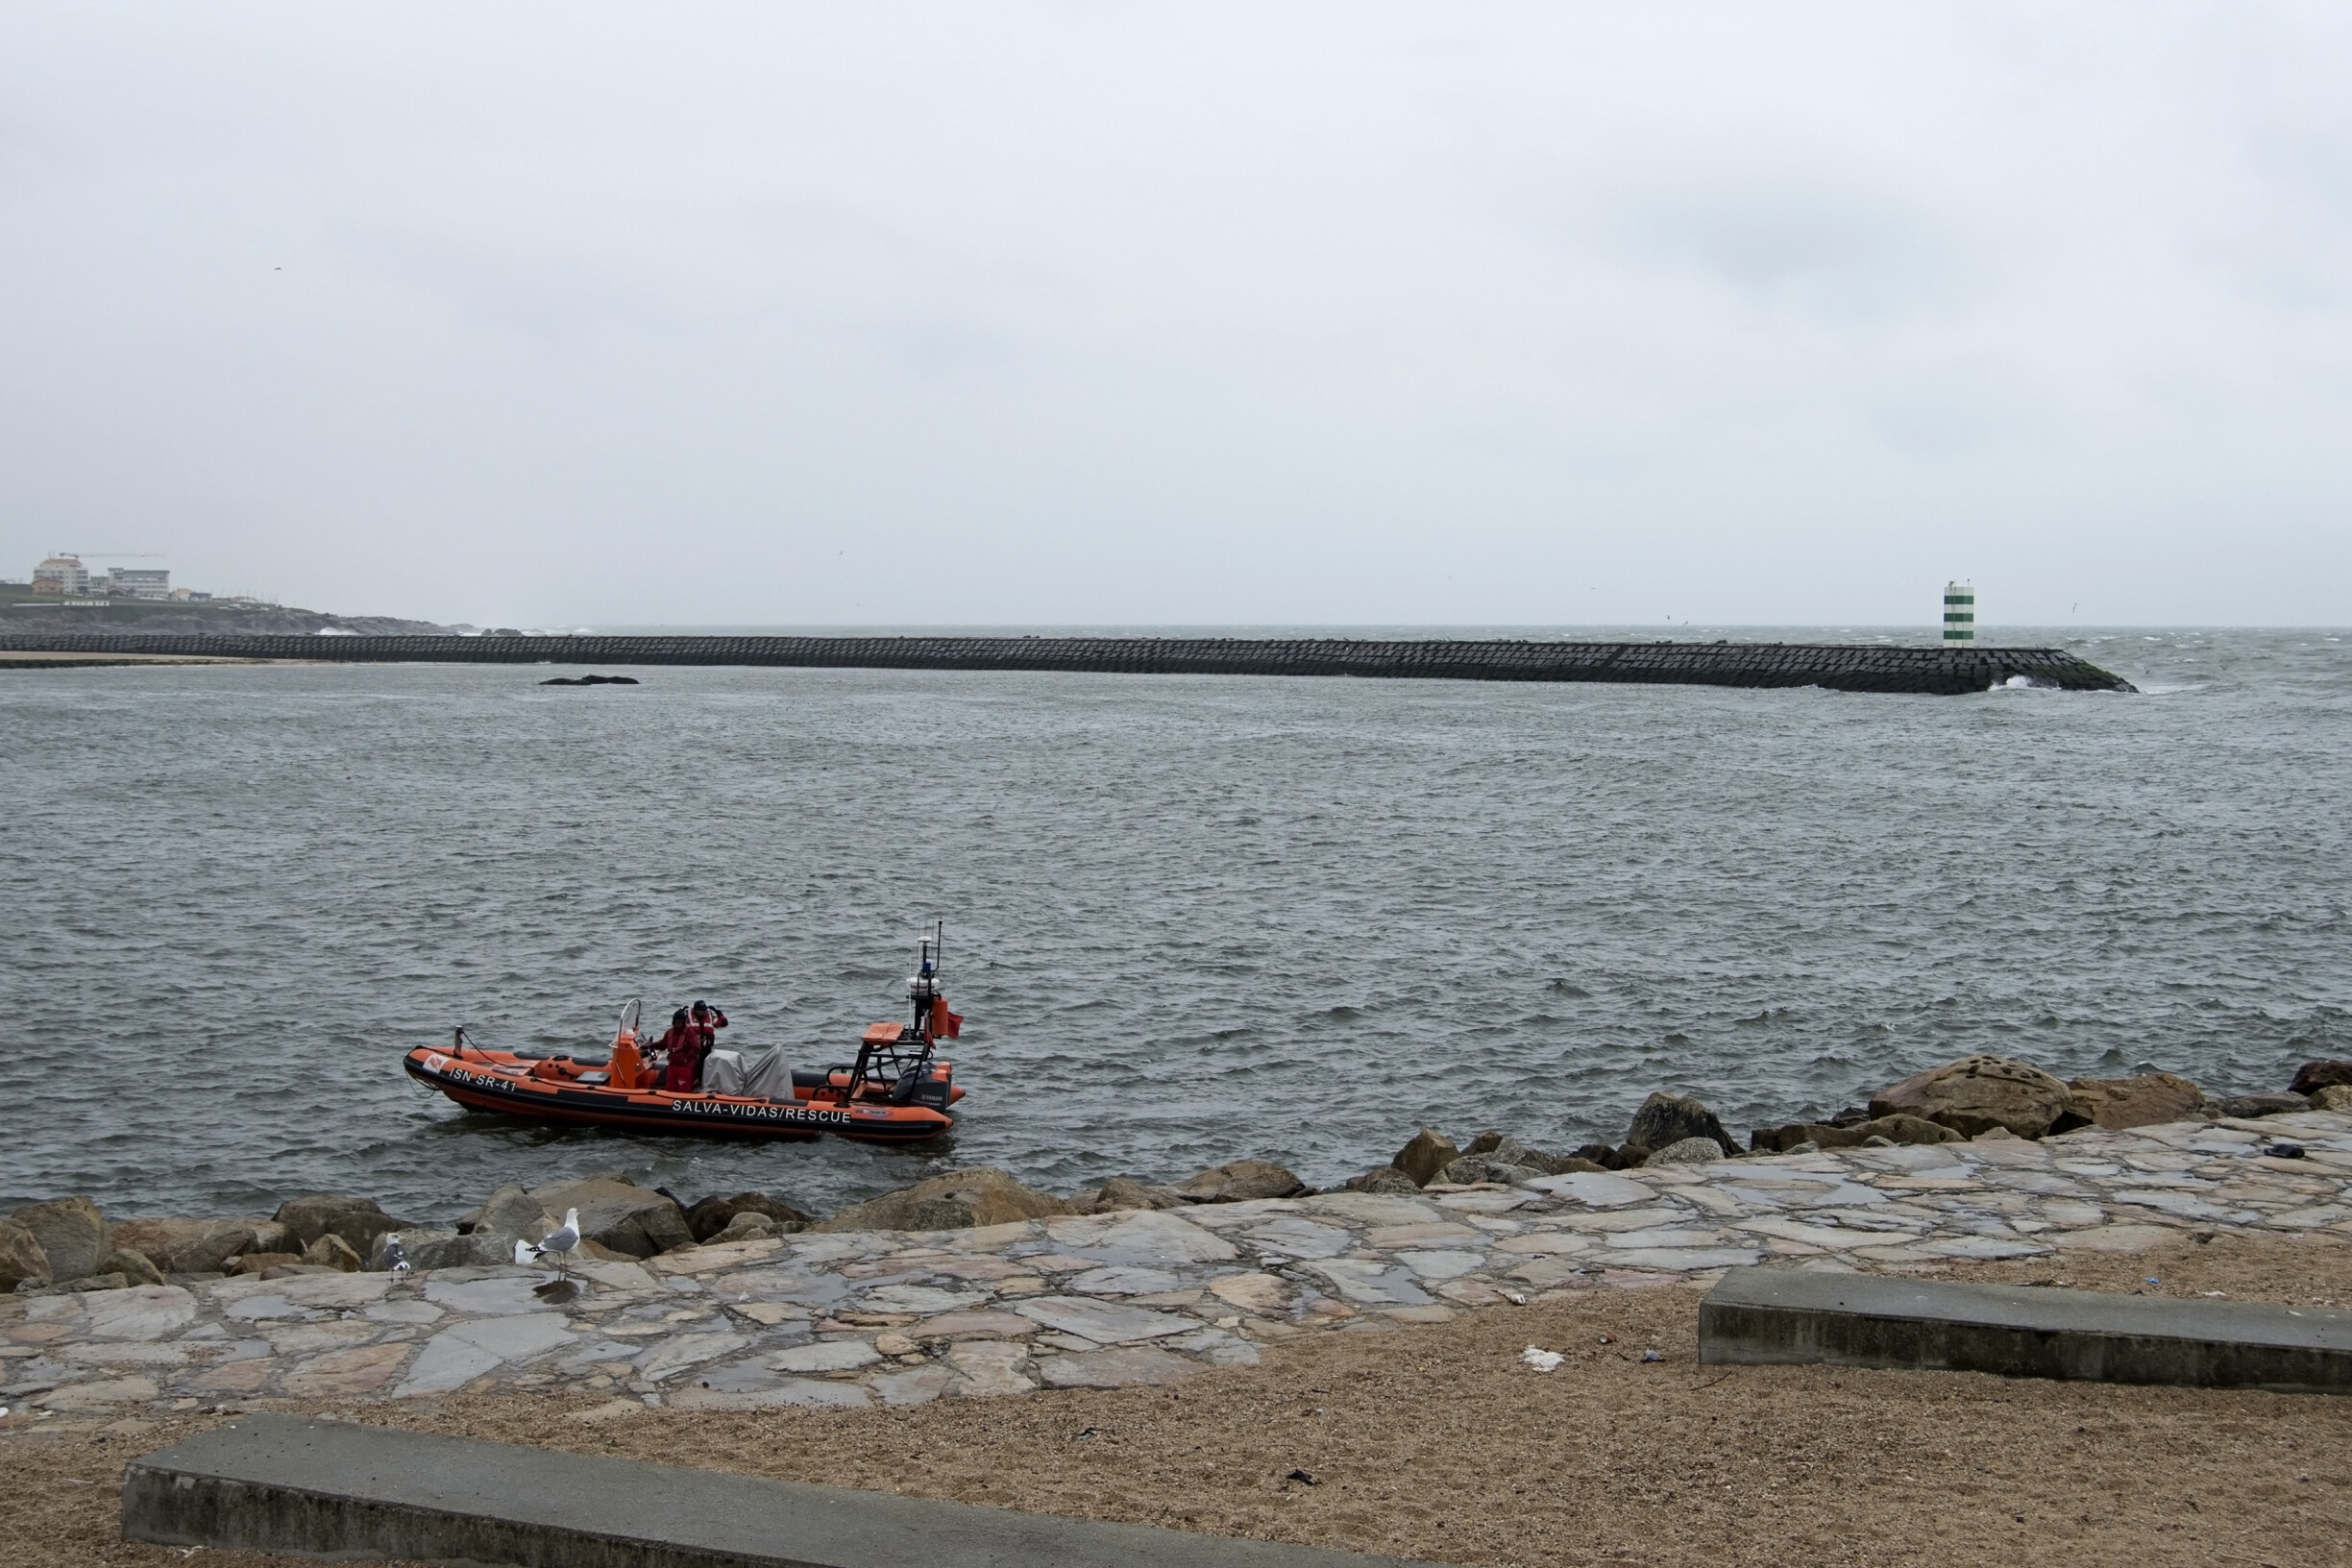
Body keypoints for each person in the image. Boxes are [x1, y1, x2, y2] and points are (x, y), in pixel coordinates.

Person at [658, 1007, 704, 1092]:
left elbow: (696, 1047)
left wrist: (686, 1059)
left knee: (684, 1090)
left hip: (684, 1066)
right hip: (672, 1065)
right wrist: (651, 1045)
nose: (678, 1024)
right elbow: (662, 1044)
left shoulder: (690, 1032)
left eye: (680, 1022)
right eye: (677, 1022)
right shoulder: (670, 1032)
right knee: (670, 1089)